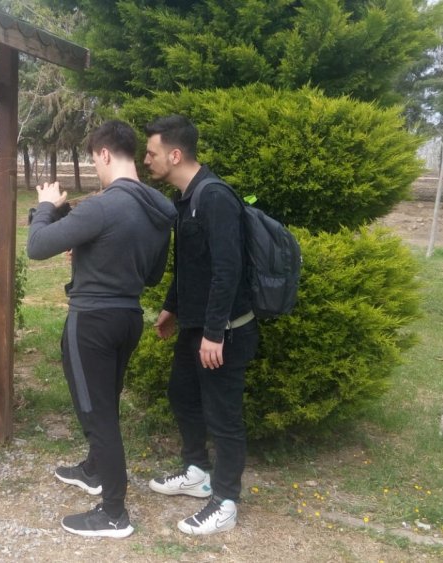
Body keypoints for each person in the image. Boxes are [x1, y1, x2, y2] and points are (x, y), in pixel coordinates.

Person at [27, 120, 177, 539]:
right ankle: (95, 470)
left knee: (98, 416)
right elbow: (152, 275)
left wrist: (46, 206)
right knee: (104, 402)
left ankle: (113, 514)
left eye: (94, 160)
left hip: (91, 321)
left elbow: (37, 246)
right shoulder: (159, 209)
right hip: (128, 319)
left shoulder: (102, 206)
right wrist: (94, 253)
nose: (95, 167)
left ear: (105, 154)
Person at [143, 115, 260, 535]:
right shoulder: (187, 199)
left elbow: (228, 270)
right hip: (196, 326)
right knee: (182, 395)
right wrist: (170, 308)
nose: (146, 160)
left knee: (223, 415)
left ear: (175, 155)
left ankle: (226, 501)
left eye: (152, 153)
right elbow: (191, 266)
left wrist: (214, 333)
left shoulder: (215, 197)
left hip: (225, 330)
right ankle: (196, 471)